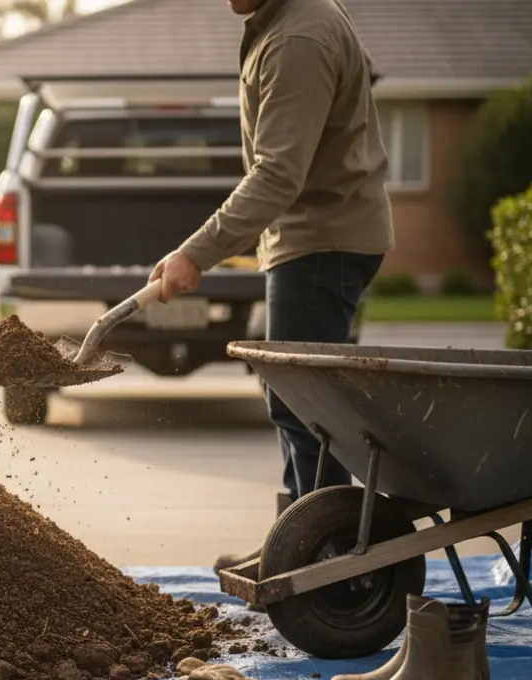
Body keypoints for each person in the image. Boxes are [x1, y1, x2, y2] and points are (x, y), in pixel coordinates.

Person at [146, 0, 393, 575]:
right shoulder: (289, 22)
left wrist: (196, 252)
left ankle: (325, 563)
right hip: (314, 238)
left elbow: (279, 173)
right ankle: (295, 541)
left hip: (322, 243)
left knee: (306, 412)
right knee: (294, 404)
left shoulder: (297, 39)